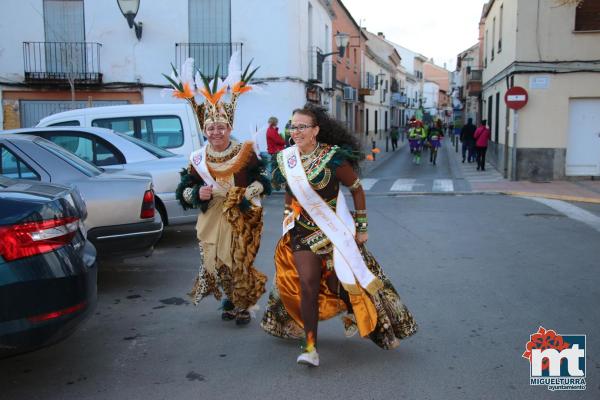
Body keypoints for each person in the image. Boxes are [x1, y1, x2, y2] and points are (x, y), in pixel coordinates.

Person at [261, 104, 417, 367]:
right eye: (293, 126)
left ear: (316, 130)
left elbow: (357, 189)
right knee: (307, 285)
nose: (296, 131)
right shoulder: (287, 158)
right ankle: (310, 347)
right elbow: (290, 189)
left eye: (302, 126)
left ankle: (364, 317)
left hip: (335, 230)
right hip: (302, 232)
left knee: (343, 284)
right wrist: (288, 214)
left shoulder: (333, 158)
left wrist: (362, 228)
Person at [171, 56, 270, 326]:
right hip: (212, 216)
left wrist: (251, 190)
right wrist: (195, 195)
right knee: (217, 262)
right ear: (205, 130)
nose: (216, 132)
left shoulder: (244, 152)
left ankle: (242, 305)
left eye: (221, 127)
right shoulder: (197, 158)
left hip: (241, 215)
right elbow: (185, 189)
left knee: (238, 260)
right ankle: (230, 298)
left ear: (229, 128)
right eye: (211, 128)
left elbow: (264, 176)